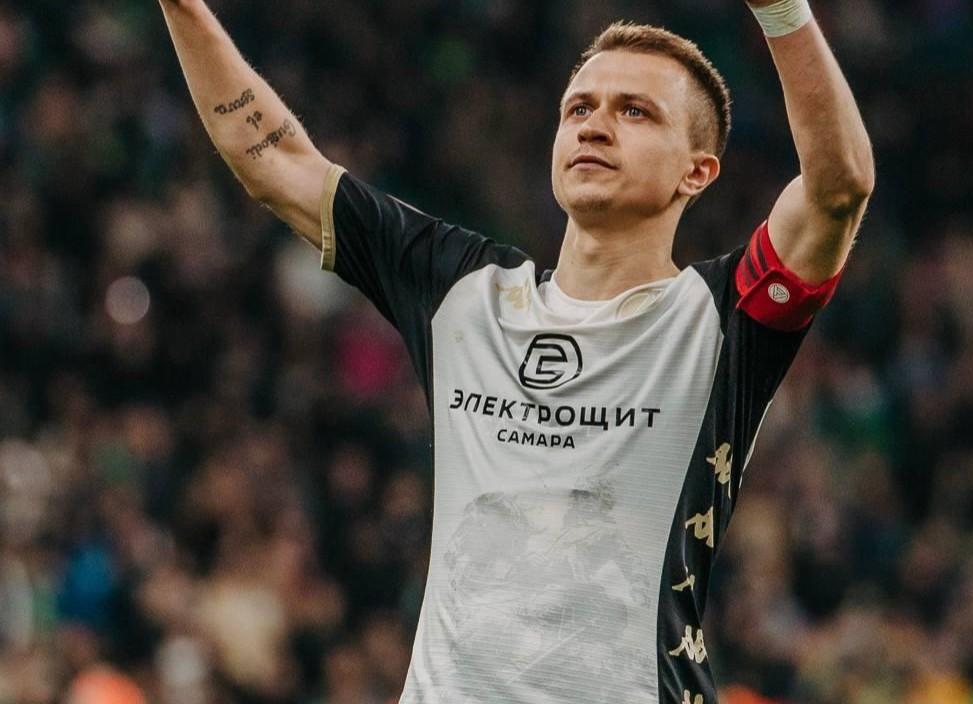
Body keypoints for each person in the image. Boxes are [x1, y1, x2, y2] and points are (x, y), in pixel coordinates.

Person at [157, 0, 873, 701]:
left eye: (635, 111)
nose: (595, 125)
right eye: (579, 107)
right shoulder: (465, 292)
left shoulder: (720, 319)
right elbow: (276, 161)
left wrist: (779, 9)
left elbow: (839, 187)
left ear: (697, 171)